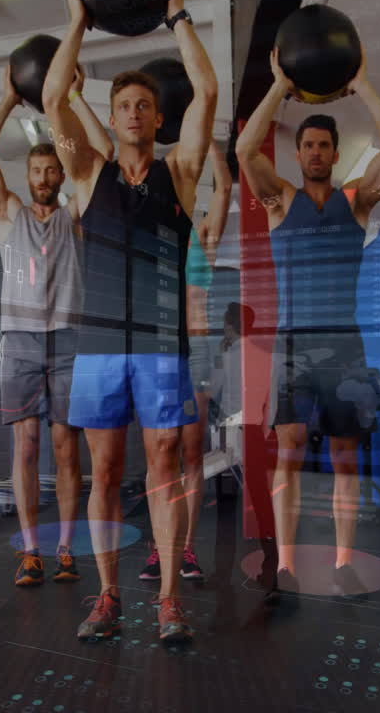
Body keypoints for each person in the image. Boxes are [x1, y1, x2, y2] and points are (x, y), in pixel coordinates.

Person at [42, 0, 217, 642]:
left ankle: (169, 598)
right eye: (124, 106)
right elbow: (55, 97)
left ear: (156, 116)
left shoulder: (183, 173)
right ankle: (110, 596)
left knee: (165, 462)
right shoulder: (88, 175)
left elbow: (208, 89)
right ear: (112, 120)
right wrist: (77, 21)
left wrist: (176, 15)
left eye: (144, 104)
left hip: (160, 344)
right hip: (100, 346)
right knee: (107, 472)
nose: (134, 112)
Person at [235, 46, 380, 599]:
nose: (314, 151)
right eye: (307, 144)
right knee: (287, 447)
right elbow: (244, 148)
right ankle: (284, 563)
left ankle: (341, 560)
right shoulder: (280, 202)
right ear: (298, 151)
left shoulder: (356, 203)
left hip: (343, 345)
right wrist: (278, 85)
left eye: (323, 145)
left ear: (335, 154)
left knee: (343, 456)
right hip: (293, 344)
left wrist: (360, 83)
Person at [0, 63, 113, 587]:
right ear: (27, 176)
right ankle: (31, 550)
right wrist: (10, 101)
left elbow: (96, 165)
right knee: (26, 445)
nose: (43, 178)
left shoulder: (74, 215)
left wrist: (72, 100)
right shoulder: (8, 212)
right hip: (17, 341)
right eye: (36, 171)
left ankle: (64, 548)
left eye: (51, 170)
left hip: (67, 340)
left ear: (59, 174)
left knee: (64, 447)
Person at [140, 141, 231, 584]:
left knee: (192, 454)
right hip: (157, 350)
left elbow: (226, 187)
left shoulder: (203, 235)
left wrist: (208, 146)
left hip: (196, 350)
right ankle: (161, 548)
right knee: (160, 456)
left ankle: (187, 549)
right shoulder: (154, 234)